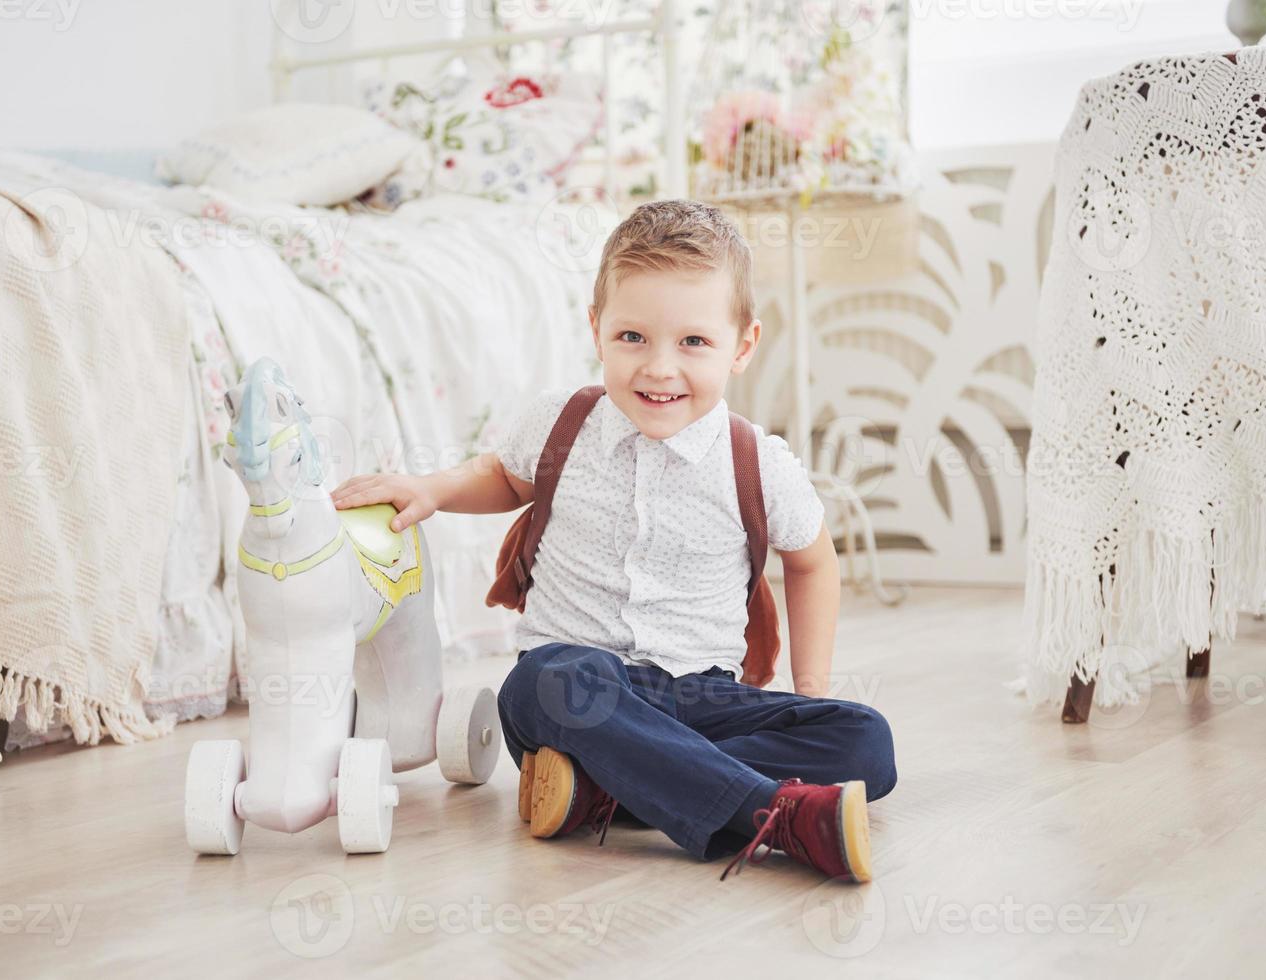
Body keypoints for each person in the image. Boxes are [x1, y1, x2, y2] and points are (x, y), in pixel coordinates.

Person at [332, 199, 896, 882]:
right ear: (597, 329)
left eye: (692, 342)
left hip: (702, 695)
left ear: (742, 346)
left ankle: (606, 787)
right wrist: (435, 488)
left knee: (864, 742)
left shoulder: (759, 463)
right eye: (633, 338)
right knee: (549, 681)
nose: (659, 368)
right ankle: (769, 813)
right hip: (578, 689)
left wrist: (807, 690)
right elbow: (503, 478)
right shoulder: (561, 423)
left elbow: (811, 564)